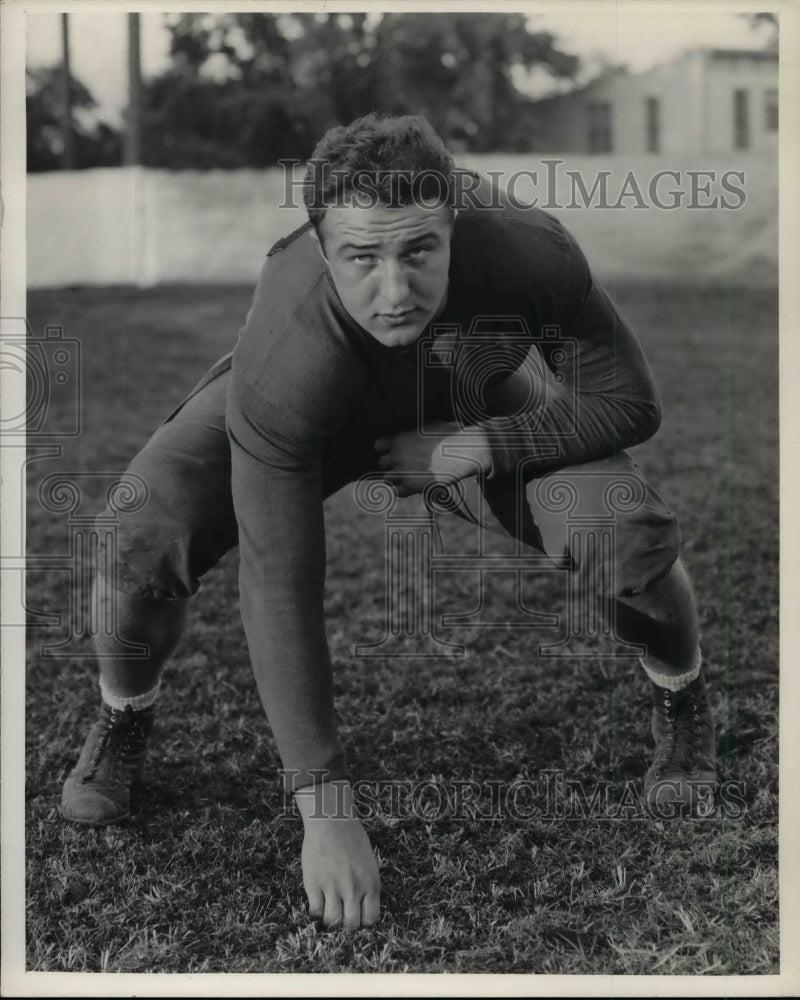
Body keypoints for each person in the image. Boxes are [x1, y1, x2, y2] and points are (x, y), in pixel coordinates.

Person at [59, 113, 716, 931]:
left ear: (454, 224)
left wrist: (482, 444)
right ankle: (123, 714)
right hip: (318, 417)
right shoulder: (289, 351)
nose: (395, 292)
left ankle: (682, 698)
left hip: (466, 405)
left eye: (419, 251)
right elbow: (278, 576)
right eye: (363, 259)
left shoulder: (528, 249)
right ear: (320, 245)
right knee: (140, 529)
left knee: (623, 529)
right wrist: (325, 805)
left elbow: (629, 400)